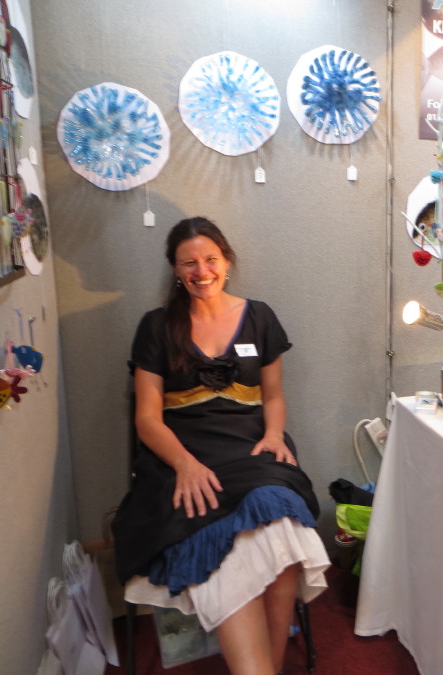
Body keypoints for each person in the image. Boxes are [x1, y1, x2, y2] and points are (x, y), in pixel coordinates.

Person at [112, 217, 329, 675]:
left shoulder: (260, 317)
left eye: (210, 259)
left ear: (227, 261)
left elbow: (273, 396)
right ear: (175, 269)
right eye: (188, 262)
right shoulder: (156, 326)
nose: (201, 270)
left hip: (252, 449)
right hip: (181, 456)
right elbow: (147, 419)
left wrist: (274, 434)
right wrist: (185, 465)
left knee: (281, 528)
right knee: (222, 547)